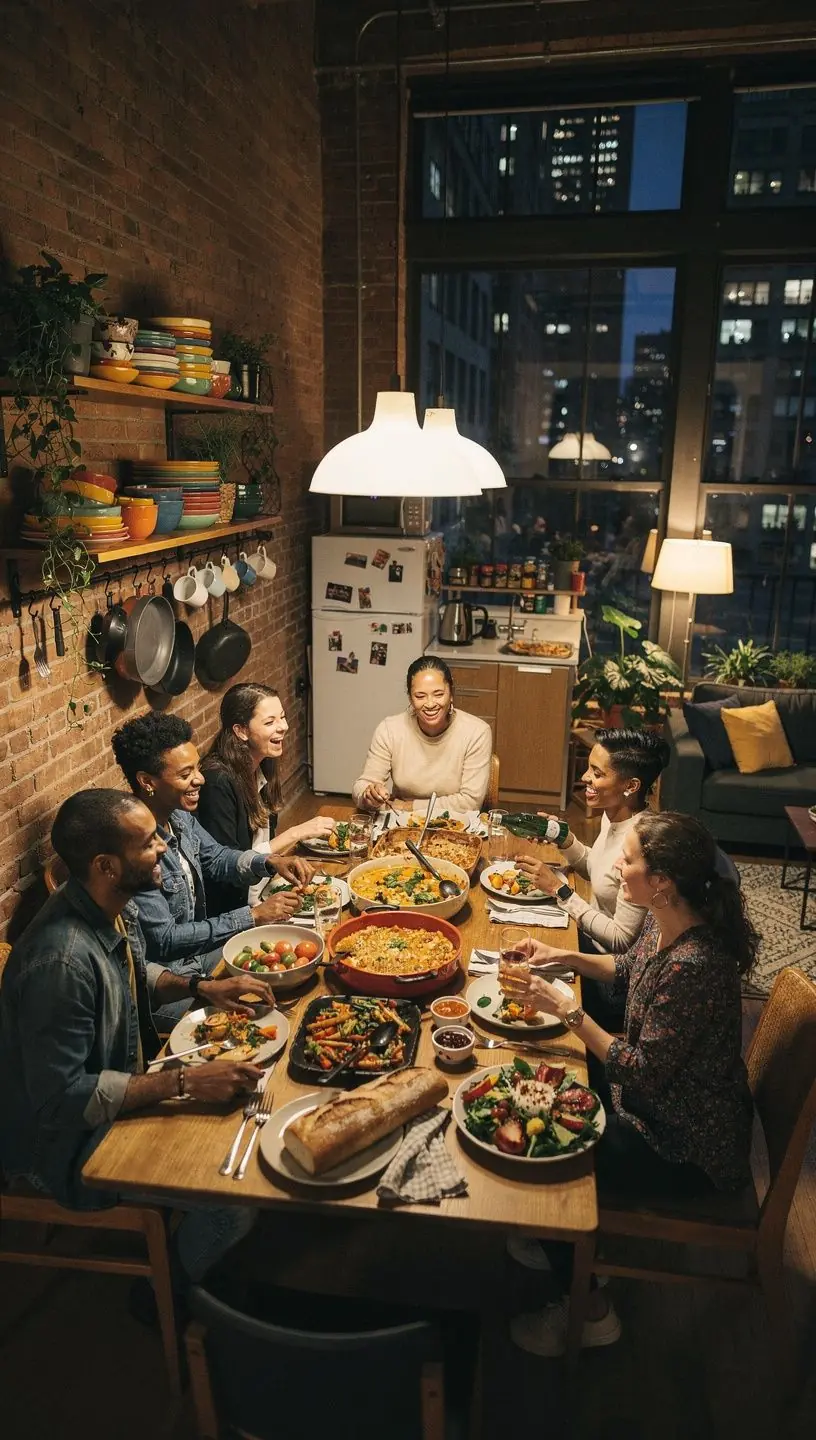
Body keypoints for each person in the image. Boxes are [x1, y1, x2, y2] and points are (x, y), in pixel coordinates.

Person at [502, 810, 758, 1358]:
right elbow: (625, 968)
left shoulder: (694, 965)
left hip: (684, 1143)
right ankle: (559, 1244)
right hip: (660, 1103)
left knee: (546, 1163)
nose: (618, 864)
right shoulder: (672, 922)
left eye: (630, 858)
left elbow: (638, 1068)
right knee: (540, 1083)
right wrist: (561, 957)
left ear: (661, 881)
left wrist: (566, 1010)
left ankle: (591, 1311)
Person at [0, 790, 270, 1284]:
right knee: (233, 1203)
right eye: (147, 843)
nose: (163, 846)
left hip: (122, 1088)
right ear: (105, 865)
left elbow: (132, 969)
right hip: (63, 1148)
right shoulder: (60, 962)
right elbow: (60, 1100)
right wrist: (183, 1082)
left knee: (248, 1114)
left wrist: (201, 986)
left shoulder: (108, 904)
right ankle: (169, 1296)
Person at [111, 713, 311, 1019]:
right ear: (147, 781)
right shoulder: (136, 849)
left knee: (291, 955)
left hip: (198, 958)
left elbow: (216, 857)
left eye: (196, 768)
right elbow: (165, 941)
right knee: (269, 1015)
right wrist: (252, 915)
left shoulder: (178, 816)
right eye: (185, 773)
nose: (200, 779)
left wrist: (269, 861)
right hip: (168, 987)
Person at [514, 729, 671, 953]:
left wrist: (560, 890)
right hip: (585, 932)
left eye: (597, 773)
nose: (584, 777)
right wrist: (564, 838)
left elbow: (621, 940)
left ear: (631, 786)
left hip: (602, 960)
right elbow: (600, 872)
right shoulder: (613, 815)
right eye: (589, 768)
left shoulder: (642, 845)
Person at [197, 683, 335, 914]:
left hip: (265, 891)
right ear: (241, 731)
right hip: (239, 911)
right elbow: (227, 864)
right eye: (270, 722)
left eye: (282, 717)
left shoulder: (263, 763)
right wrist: (295, 833)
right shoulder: (217, 781)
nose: (284, 727)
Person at [352, 656, 492, 813]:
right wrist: (368, 795)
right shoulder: (389, 729)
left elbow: (470, 802)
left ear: (451, 694)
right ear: (410, 698)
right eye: (420, 696)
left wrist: (407, 806)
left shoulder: (477, 732)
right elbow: (362, 785)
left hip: (455, 822)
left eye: (438, 694)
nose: (430, 704)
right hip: (401, 822)